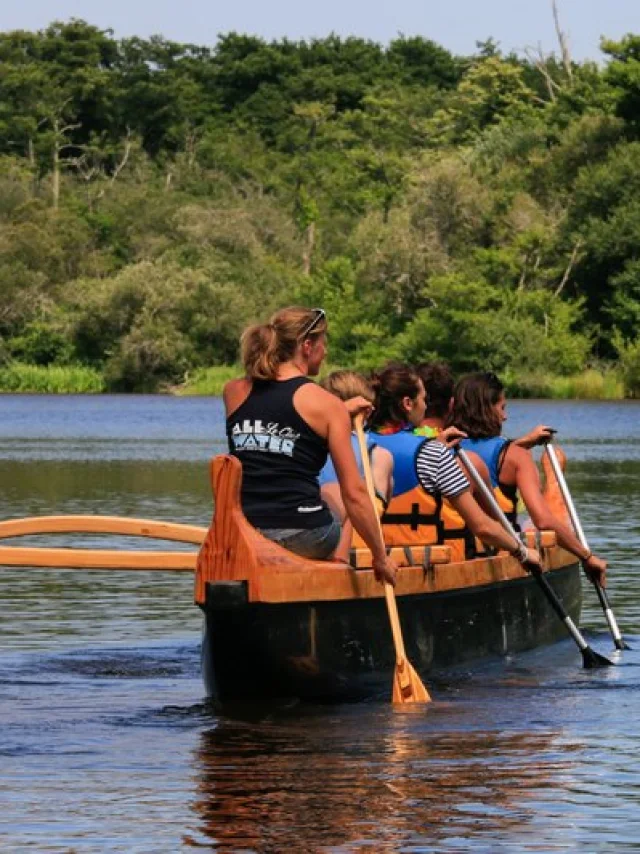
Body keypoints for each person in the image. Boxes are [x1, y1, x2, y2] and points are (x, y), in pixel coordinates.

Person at [223, 306, 396, 585]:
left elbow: (279, 416)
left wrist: (340, 410)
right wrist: (380, 557)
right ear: (307, 346)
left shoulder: (233, 392)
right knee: (341, 494)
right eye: (323, 342)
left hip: (245, 531)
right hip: (304, 535)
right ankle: (338, 570)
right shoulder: (326, 406)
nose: (325, 351)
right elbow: (354, 495)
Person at [367, 362, 541, 565]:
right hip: (419, 565)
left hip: (368, 560)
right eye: (424, 399)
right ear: (408, 403)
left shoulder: (357, 444)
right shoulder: (432, 452)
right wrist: (522, 552)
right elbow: (481, 526)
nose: (425, 406)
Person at [452, 371, 606, 585]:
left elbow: (484, 456)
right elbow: (543, 520)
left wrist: (524, 441)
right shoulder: (515, 457)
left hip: (455, 553)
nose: (504, 417)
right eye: (502, 408)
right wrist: (586, 556)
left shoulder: (438, 449)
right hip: (501, 553)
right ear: (487, 409)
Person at [318, 370, 394, 561]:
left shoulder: (306, 441)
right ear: (366, 410)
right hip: (346, 548)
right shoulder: (379, 455)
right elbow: (375, 509)